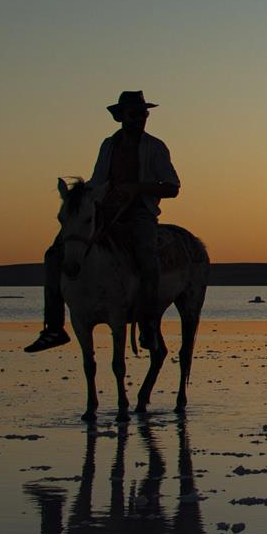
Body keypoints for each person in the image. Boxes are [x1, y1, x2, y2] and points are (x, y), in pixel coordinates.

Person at [25, 91, 180, 355]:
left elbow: (172, 187)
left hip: (139, 213)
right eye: (135, 114)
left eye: (143, 113)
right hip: (104, 211)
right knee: (54, 254)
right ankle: (54, 327)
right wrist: (82, 198)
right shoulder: (108, 145)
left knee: (148, 257)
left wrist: (137, 188)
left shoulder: (155, 147)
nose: (141, 118)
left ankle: (149, 325)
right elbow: (97, 179)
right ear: (121, 117)